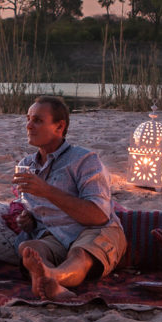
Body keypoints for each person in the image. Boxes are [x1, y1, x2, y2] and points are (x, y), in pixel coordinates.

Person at [12, 95, 127, 301]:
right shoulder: (27, 164)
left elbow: (99, 216)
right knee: (29, 248)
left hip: (93, 230)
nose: (29, 125)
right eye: (28, 119)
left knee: (79, 254)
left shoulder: (84, 160)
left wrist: (47, 191)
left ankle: (51, 277)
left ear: (59, 126)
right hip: (54, 234)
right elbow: (34, 209)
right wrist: (28, 219)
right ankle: (47, 280)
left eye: (37, 120)